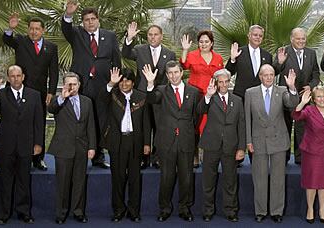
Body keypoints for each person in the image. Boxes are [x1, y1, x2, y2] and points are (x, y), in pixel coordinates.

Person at [61, 0, 120, 169]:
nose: (90, 22)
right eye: (86, 19)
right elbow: (66, 28)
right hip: (82, 84)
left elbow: (116, 60)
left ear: (98, 19)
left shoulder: (110, 36)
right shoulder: (77, 33)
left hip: (104, 85)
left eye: (93, 18)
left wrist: (114, 83)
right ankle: (78, 154)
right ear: (83, 22)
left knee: (101, 120)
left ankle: (98, 156)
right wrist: (69, 14)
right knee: (79, 119)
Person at [142, 61, 203, 222]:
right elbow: (151, 99)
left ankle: (185, 208)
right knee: (166, 177)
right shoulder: (161, 91)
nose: (173, 76)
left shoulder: (194, 92)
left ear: (181, 73)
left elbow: (196, 117)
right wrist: (150, 83)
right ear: (167, 76)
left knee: (186, 177)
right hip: (166, 141)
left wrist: (186, 130)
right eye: (170, 73)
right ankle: (165, 208)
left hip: (186, 140)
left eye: (176, 72)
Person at [0, 65, 44, 225]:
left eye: (18, 75)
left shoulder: (34, 95)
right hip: (5, 145)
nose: (15, 78)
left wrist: (38, 143)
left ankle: (24, 212)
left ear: (23, 77)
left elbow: (38, 122)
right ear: (8, 78)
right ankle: (3, 214)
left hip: (26, 145)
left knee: (23, 181)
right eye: (12, 76)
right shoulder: (2, 94)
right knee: (4, 181)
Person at [3, 13, 59, 171]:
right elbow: (7, 39)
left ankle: (38, 159)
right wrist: (10, 28)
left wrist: (51, 92)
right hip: (20, 91)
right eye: (31, 28)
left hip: (40, 93)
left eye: (37, 29)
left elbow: (54, 72)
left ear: (43, 30)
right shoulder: (20, 41)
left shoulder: (51, 47)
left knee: (38, 123)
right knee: (18, 123)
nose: (34, 31)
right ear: (28, 29)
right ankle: (19, 156)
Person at [244, 64, 299, 223]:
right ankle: (260, 211)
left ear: (274, 76)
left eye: (271, 74)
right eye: (265, 75)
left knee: (278, 179)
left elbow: (292, 104)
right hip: (258, 140)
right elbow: (247, 119)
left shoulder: (282, 91)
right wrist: (248, 140)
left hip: (278, 141)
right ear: (260, 76)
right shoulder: (250, 93)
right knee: (259, 178)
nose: (268, 77)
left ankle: (276, 212)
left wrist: (292, 87)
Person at [122, 22, 176, 169]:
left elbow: (172, 75)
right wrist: (129, 39)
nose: (153, 37)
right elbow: (126, 54)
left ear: (161, 36)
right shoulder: (139, 50)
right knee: (141, 127)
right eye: (150, 35)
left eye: (156, 34)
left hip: (160, 96)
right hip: (142, 95)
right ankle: (142, 158)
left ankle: (157, 157)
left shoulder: (170, 54)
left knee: (159, 126)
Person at [102, 68, 151, 222]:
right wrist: (111, 83)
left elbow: (146, 122)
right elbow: (101, 99)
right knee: (118, 177)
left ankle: (134, 212)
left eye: (127, 80)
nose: (124, 83)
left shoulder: (141, 96)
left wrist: (146, 143)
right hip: (117, 141)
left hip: (135, 141)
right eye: (122, 81)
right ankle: (118, 210)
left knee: (135, 179)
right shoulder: (112, 94)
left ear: (133, 82)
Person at [47, 72, 95, 224]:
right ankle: (61, 214)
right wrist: (63, 97)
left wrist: (92, 146)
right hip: (63, 148)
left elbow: (91, 126)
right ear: (64, 85)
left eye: (74, 84)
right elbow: (51, 109)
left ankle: (78, 212)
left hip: (82, 148)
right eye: (69, 84)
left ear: (79, 85)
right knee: (63, 183)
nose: (72, 87)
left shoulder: (87, 101)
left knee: (79, 182)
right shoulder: (58, 100)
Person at [198, 69, 245, 223]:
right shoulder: (209, 98)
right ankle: (207, 210)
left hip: (230, 146)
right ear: (216, 83)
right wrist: (208, 95)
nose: (224, 85)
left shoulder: (237, 100)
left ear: (229, 81)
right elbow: (199, 111)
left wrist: (241, 148)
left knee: (230, 181)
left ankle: (231, 211)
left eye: (226, 81)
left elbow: (241, 125)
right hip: (211, 144)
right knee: (208, 180)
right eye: (221, 82)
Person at [292, 87, 324, 224]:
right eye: (318, 97)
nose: (322, 99)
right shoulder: (309, 111)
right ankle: (310, 209)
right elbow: (295, 116)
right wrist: (302, 103)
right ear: (313, 99)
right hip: (312, 152)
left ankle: (322, 210)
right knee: (312, 183)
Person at [274, 27, 320, 164]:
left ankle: (300, 158)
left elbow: (316, 73)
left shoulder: (311, 53)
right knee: (285, 127)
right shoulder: (284, 51)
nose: (301, 41)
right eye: (298, 38)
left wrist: (311, 86)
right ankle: (285, 157)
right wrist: (280, 62)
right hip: (287, 96)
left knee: (302, 129)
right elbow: (274, 71)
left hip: (304, 97)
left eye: (303, 38)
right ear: (292, 39)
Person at [180, 31, 225, 167]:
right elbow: (183, 65)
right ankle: (194, 155)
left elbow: (221, 76)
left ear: (211, 43)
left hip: (212, 95)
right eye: (201, 41)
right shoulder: (192, 55)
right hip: (195, 95)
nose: (203, 44)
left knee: (210, 125)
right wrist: (185, 50)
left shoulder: (218, 58)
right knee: (194, 125)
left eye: (206, 41)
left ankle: (208, 154)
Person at [226, 24, 274, 99]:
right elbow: (228, 72)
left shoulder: (267, 56)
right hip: (241, 96)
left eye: (260, 36)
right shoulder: (239, 52)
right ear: (249, 35)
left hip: (260, 98)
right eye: (255, 35)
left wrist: (280, 63)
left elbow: (271, 75)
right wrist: (232, 59)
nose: (258, 37)